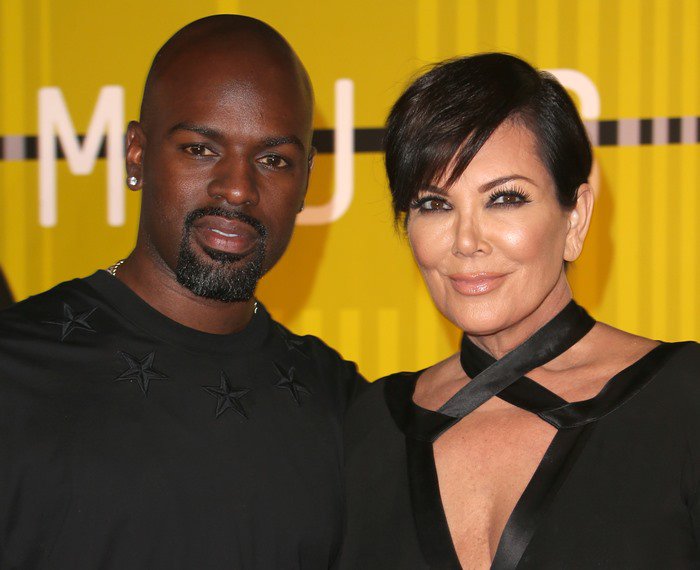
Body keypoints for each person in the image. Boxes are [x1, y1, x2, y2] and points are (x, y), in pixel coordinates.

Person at [0, 15, 362, 569]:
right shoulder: (15, 370)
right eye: (200, 149)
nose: (238, 188)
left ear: (306, 181)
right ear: (136, 154)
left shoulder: (343, 407)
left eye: (273, 160)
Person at [340, 53, 700, 569]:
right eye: (435, 205)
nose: (466, 241)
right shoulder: (368, 428)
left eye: (505, 198)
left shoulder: (685, 402)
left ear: (575, 218)